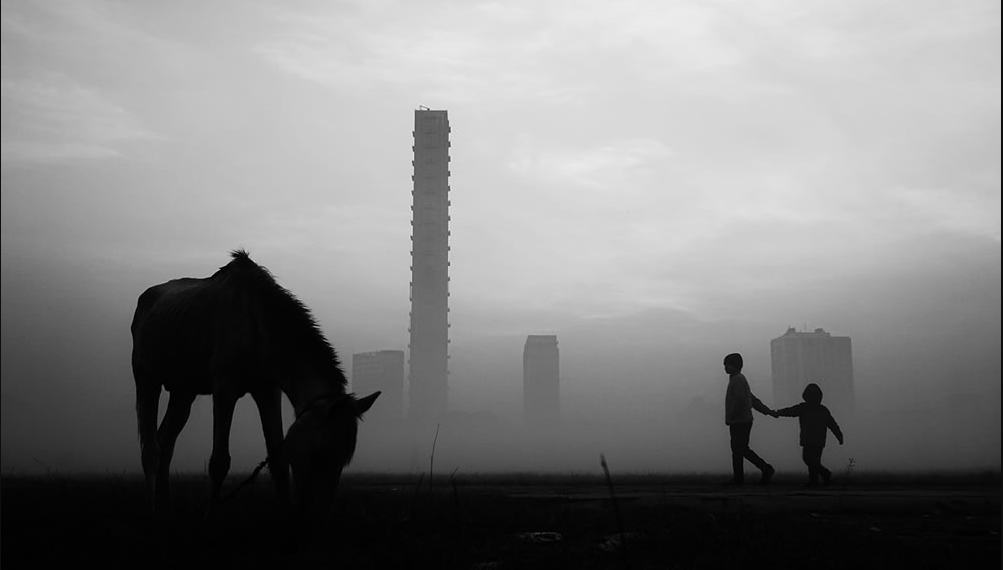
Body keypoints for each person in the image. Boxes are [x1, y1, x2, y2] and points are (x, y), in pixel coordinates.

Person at [774, 383, 844, 487]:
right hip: (819, 440)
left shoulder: (804, 407)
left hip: (808, 439)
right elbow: (832, 424)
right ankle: (814, 480)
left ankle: (824, 474)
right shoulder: (822, 409)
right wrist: (839, 436)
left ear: (806, 396)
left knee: (808, 459)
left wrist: (778, 412)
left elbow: (790, 411)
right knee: (814, 460)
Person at [722, 353, 776, 486]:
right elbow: (751, 399)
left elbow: (741, 401)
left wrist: (732, 416)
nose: (725, 367)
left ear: (735, 366)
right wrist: (766, 411)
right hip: (741, 420)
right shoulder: (737, 379)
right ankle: (741, 477)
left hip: (740, 421)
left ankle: (763, 469)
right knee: (740, 450)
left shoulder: (738, 380)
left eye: (727, 365)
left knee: (739, 450)